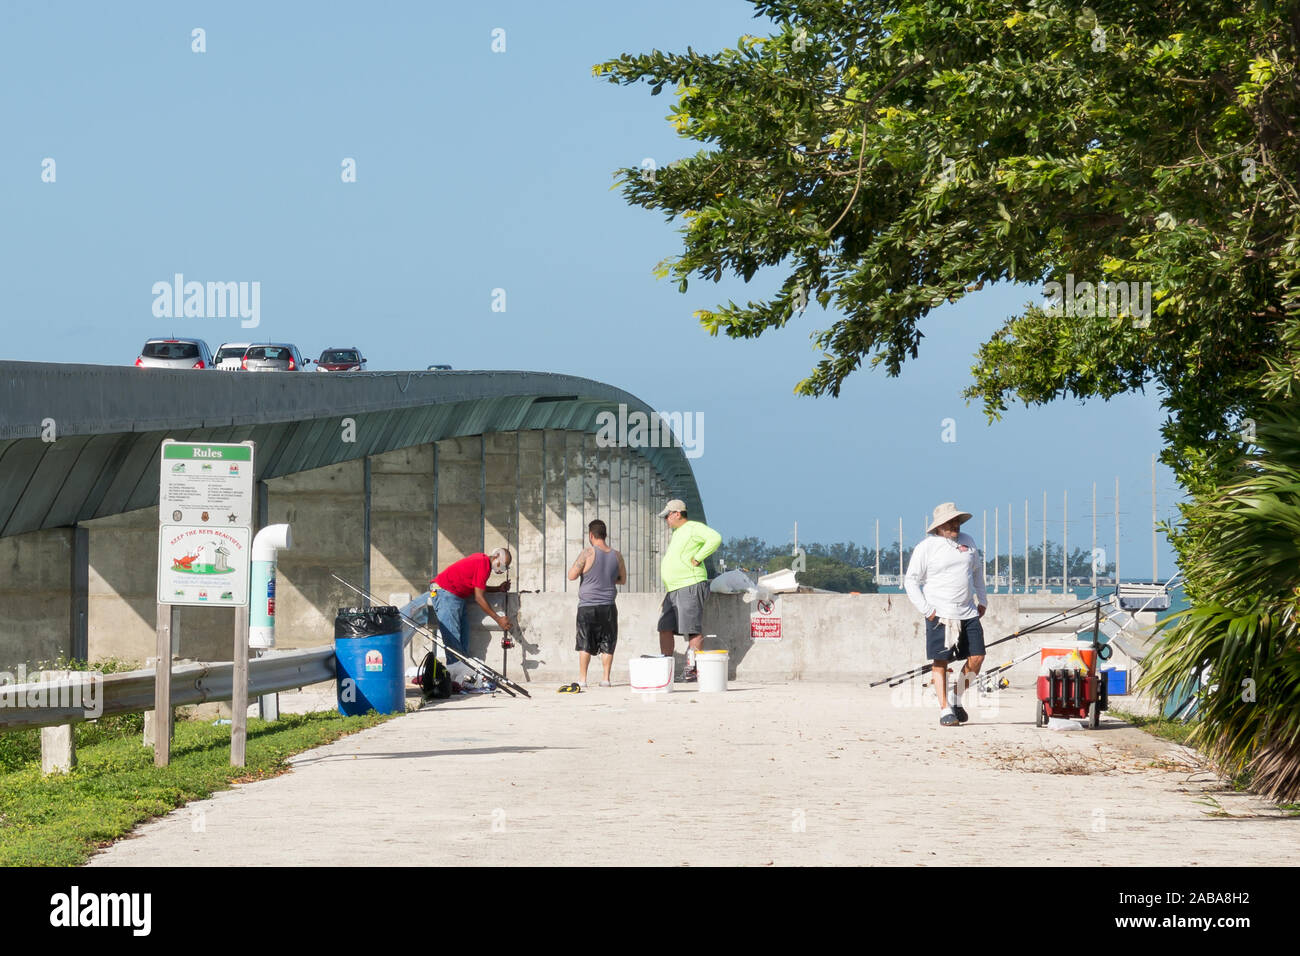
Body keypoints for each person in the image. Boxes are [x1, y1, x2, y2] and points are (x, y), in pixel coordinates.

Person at [904, 502, 987, 727]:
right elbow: (910, 581)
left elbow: (977, 572)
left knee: (977, 657)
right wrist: (927, 610)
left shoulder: (968, 542)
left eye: (957, 521)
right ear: (939, 526)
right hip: (939, 613)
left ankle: (956, 698)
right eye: (950, 522)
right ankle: (944, 710)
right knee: (940, 661)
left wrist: (983, 599)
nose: (955, 525)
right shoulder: (926, 547)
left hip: (968, 610)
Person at [657, 499, 722, 681]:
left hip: (690, 584)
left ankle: (692, 670)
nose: (666, 520)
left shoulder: (693, 527)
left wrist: (699, 557)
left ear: (677, 513)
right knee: (664, 627)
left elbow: (715, 538)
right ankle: (666, 667)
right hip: (674, 588)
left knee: (692, 628)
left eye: (667, 516)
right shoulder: (678, 532)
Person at [565, 519, 626, 689]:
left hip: (587, 606)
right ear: (605, 534)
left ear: (591, 535)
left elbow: (571, 575)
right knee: (608, 641)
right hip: (608, 606)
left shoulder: (587, 553)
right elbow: (622, 579)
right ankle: (606, 679)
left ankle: (583, 679)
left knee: (585, 641)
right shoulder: (617, 555)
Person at [430, 548, 512, 661]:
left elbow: (478, 588)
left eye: (505, 568)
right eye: (503, 566)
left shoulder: (482, 562)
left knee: (463, 639)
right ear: (496, 556)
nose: (502, 570)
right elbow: (479, 597)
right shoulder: (483, 564)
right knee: (452, 639)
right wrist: (498, 619)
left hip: (456, 597)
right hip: (446, 593)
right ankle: (455, 672)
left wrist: (498, 588)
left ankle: (461, 672)